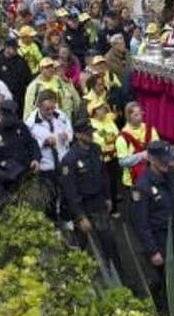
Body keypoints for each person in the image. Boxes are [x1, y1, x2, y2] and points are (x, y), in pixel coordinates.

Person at [131, 140, 174, 314]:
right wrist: (152, 251)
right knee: (164, 281)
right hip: (160, 239)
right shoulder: (142, 186)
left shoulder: (171, 173)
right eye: (162, 160)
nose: (166, 163)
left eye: (167, 159)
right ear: (151, 159)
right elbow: (140, 223)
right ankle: (165, 312)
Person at [60, 117, 123, 277]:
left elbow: (104, 175)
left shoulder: (96, 149)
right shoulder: (70, 159)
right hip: (83, 205)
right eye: (87, 133)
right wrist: (80, 216)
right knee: (82, 245)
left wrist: (108, 197)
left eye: (91, 132)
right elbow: (70, 191)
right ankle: (78, 276)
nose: (91, 136)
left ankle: (117, 273)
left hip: (99, 202)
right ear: (79, 135)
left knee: (109, 241)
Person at [0, 100, 40, 207]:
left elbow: (32, 143)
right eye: (9, 117)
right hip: (1, 181)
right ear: (1, 114)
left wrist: (35, 158)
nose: (12, 120)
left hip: (23, 176)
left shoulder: (20, 126)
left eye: (14, 117)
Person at [26, 90, 75, 222]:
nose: (50, 112)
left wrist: (67, 136)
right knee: (50, 197)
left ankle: (66, 219)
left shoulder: (60, 115)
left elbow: (70, 131)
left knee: (66, 193)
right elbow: (28, 145)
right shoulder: (31, 123)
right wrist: (43, 142)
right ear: (39, 107)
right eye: (47, 109)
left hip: (63, 161)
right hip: (46, 166)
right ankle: (52, 224)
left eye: (52, 108)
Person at [88, 99, 122, 213]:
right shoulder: (91, 124)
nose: (104, 110)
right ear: (94, 111)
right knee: (102, 183)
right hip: (100, 159)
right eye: (100, 108)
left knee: (113, 183)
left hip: (113, 157)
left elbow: (117, 135)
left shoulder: (109, 120)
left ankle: (114, 208)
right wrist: (110, 139)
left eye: (104, 107)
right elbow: (100, 140)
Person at [117, 101, 157, 194]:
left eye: (141, 113)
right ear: (129, 117)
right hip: (132, 182)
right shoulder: (122, 137)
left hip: (152, 177)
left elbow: (158, 148)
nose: (140, 116)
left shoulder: (150, 129)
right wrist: (141, 156)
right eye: (136, 115)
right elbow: (122, 162)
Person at [0, 38, 33, 103]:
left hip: (20, 96)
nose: (16, 50)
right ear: (6, 48)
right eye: (14, 48)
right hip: (5, 98)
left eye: (16, 48)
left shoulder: (20, 60)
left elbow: (28, 76)